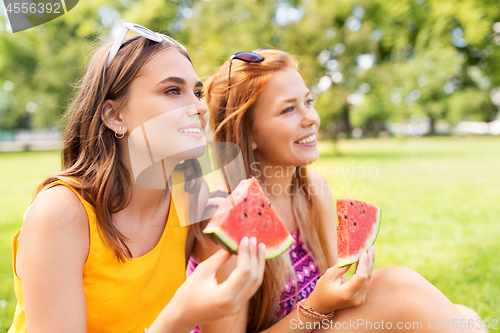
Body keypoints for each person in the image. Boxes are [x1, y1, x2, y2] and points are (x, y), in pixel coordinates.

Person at [189, 49, 487, 333]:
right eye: (288, 109)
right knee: (399, 286)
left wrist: (345, 291)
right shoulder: (223, 217)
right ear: (249, 133)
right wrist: (315, 306)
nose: (311, 119)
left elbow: (335, 291)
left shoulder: (313, 189)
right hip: (308, 322)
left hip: (317, 323)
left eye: (309, 102)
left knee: (465, 315)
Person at [8, 23, 266, 333]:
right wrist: (177, 321)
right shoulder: (61, 213)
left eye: (196, 92)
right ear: (115, 116)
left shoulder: (187, 190)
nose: (198, 107)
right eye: (173, 90)